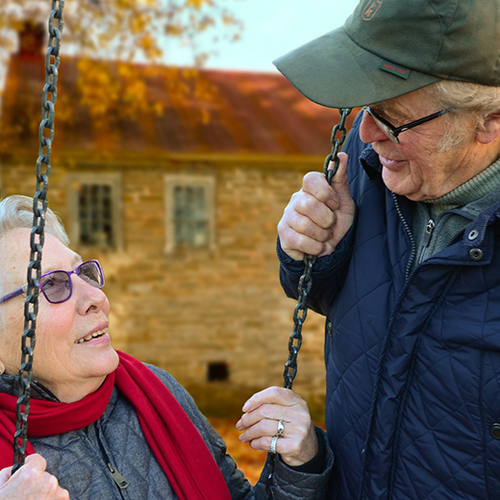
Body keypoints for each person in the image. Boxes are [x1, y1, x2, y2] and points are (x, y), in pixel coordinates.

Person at [274, 0, 500, 498]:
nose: (368, 133)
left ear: (489, 121)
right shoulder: (370, 155)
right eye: (365, 108)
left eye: (394, 117)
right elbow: (336, 295)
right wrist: (312, 252)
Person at [0, 195, 333, 499]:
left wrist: (299, 466)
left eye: (82, 273)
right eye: (52, 285)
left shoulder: (157, 393)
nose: (96, 298)